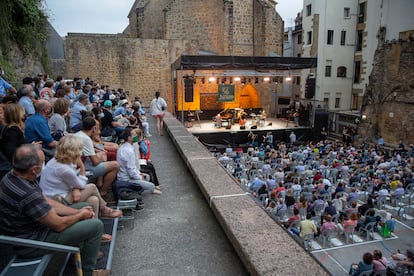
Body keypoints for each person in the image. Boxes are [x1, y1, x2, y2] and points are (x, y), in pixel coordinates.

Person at [0, 144, 104, 276]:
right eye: (42, 163)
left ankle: (79, 257)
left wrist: (78, 212)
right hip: (32, 243)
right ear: (34, 169)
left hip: (35, 228)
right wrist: (80, 215)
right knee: (96, 226)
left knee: (82, 206)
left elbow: (47, 201)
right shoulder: (27, 194)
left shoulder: (14, 176)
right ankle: (88, 273)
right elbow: (58, 225)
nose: (43, 166)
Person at [39, 135, 122, 219]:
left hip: (57, 195)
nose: (81, 152)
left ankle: (95, 229)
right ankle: (104, 209)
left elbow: (75, 181)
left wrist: (76, 188)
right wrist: (82, 167)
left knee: (94, 200)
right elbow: (81, 183)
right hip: (57, 200)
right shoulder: (63, 168)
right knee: (92, 187)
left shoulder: (57, 161)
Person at [75, 117, 120, 202]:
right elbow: (95, 162)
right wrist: (102, 159)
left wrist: (100, 151)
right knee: (115, 165)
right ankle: (103, 192)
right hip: (83, 168)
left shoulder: (78, 134)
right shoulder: (86, 139)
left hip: (79, 164)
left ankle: (101, 183)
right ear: (94, 128)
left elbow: (93, 146)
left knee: (102, 154)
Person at [116, 127, 161, 195]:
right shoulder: (129, 151)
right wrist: (139, 177)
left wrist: (139, 174)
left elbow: (133, 167)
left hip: (127, 176)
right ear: (129, 138)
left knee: (147, 177)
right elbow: (130, 170)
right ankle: (134, 193)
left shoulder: (125, 147)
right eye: (134, 135)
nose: (136, 136)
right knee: (151, 187)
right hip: (126, 179)